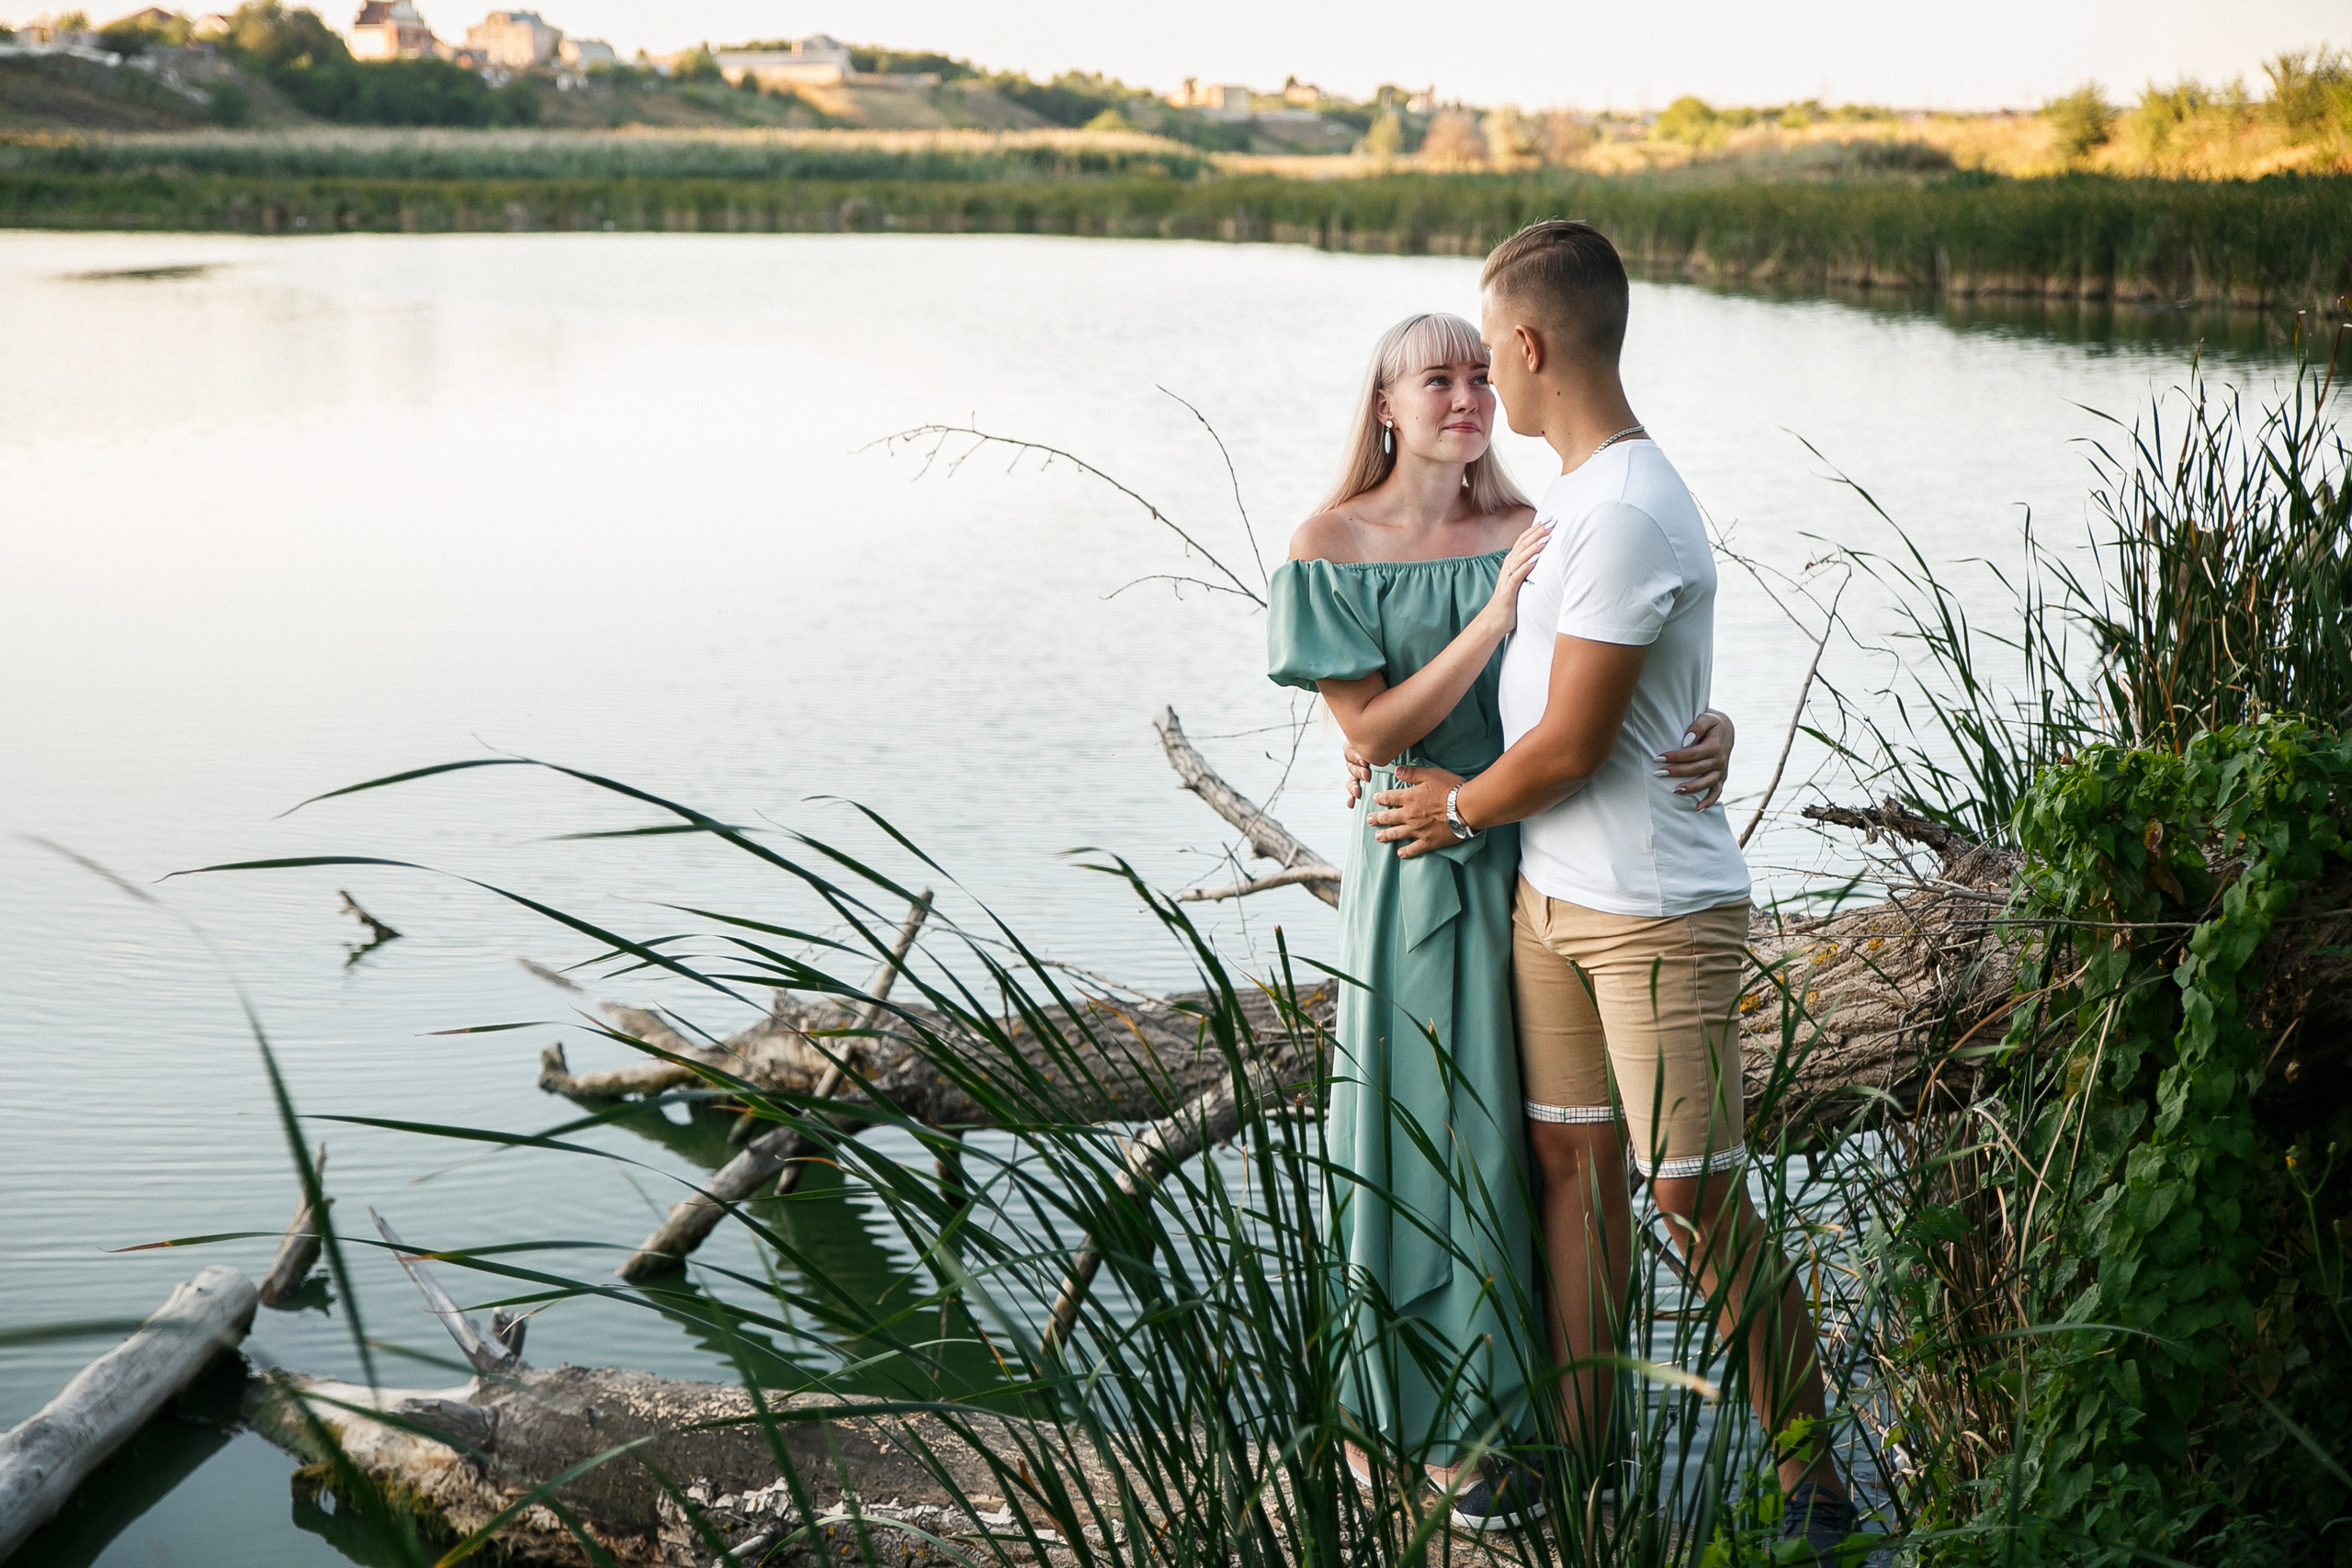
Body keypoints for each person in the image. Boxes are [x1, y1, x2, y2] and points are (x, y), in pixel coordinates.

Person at [1368, 221, 1860, 1562]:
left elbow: (1575, 742)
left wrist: (1457, 806)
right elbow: (1621, 693)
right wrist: (1705, 722)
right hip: (1548, 905)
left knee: (1692, 1195)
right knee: (1575, 1175)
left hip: (1654, 911)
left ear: (1526, 347)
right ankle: (1586, 1464)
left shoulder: (1631, 502)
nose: (1486, 384)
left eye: (1491, 353)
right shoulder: (1575, 498)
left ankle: (1815, 1484)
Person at [1266, 310, 1736, 1531]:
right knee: (1420, 1123)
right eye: (1436, 378)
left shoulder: (1537, 525)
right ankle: (1401, 1425)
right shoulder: (1330, 544)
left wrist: (1709, 724)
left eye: (1480, 372)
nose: (1466, 395)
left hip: (1530, 856)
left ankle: (1534, 1431)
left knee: (1537, 1153)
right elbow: (1368, 734)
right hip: (1417, 863)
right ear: (1383, 406)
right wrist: (1488, 616)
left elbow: (1609, 670)